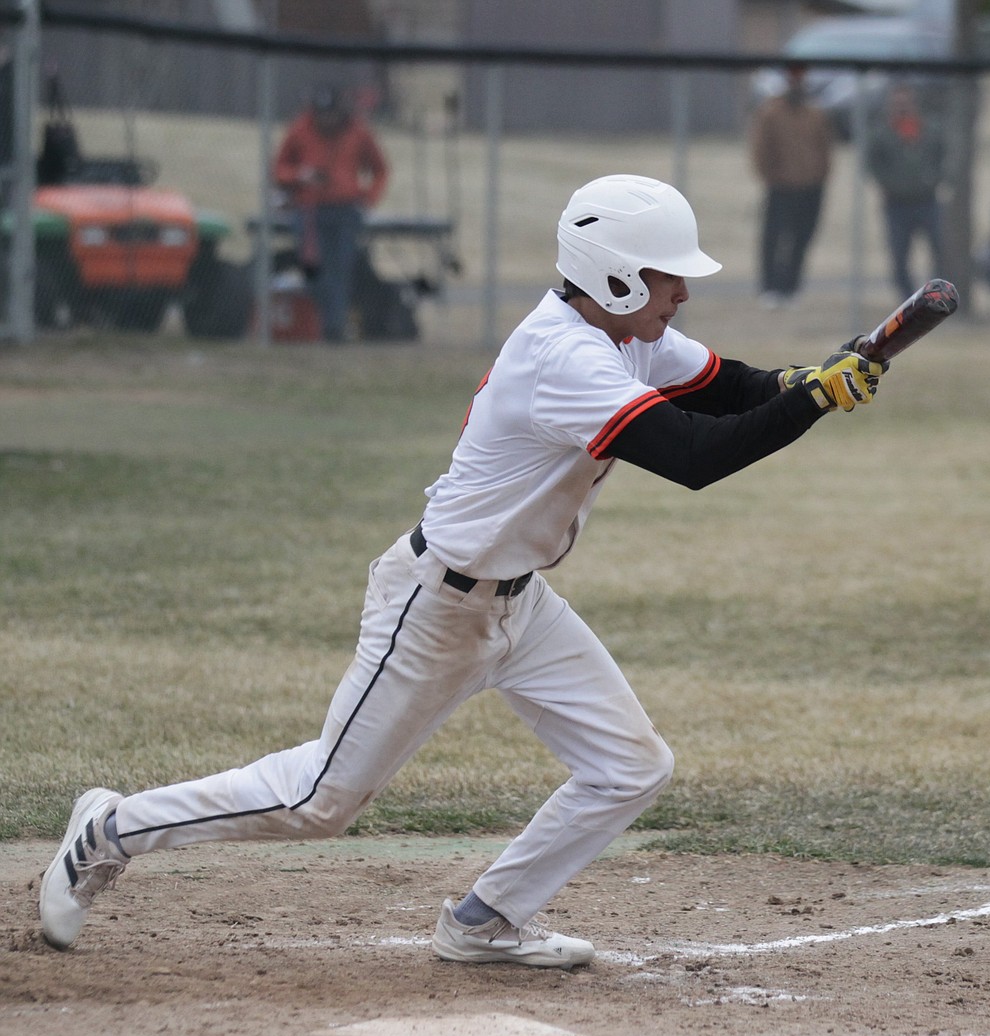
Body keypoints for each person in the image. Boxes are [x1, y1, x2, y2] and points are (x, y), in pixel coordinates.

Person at [38, 175, 887, 970]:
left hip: (522, 607)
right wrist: (815, 400)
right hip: (435, 609)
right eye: (670, 278)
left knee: (632, 766)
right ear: (620, 278)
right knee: (321, 802)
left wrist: (812, 376)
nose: (683, 294)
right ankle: (109, 828)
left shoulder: (626, 338)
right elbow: (698, 456)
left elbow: (730, 389)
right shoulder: (567, 359)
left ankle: (485, 919)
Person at [273, 84, 389, 342]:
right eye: (321, 114)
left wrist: (367, 199)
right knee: (314, 269)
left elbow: (380, 169)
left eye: (331, 114)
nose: (326, 120)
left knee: (341, 269)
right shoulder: (300, 128)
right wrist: (301, 175)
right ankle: (323, 323)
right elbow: (279, 169)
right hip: (309, 210)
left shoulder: (358, 131)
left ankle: (333, 329)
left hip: (346, 211)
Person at [748, 66, 834, 308]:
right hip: (781, 187)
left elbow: (825, 147)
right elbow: (760, 149)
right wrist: (770, 176)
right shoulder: (771, 113)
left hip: (811, 187)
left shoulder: (815, 114)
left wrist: (820, 175)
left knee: (802, 238)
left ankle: (791, 286)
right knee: (774, 238)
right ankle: (770, 287)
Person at [866, 81, 946, 301]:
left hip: (927, 201)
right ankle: (908, 301)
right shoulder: (882, 134)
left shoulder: (930, 130)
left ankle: (938, 296)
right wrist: (889, 184)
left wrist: (935, 179)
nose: (902, 107)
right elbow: (872, 164)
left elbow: (945, 157)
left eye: (906, 102)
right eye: (897, 103)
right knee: (899, 255)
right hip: (896, 204)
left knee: (940, 249)